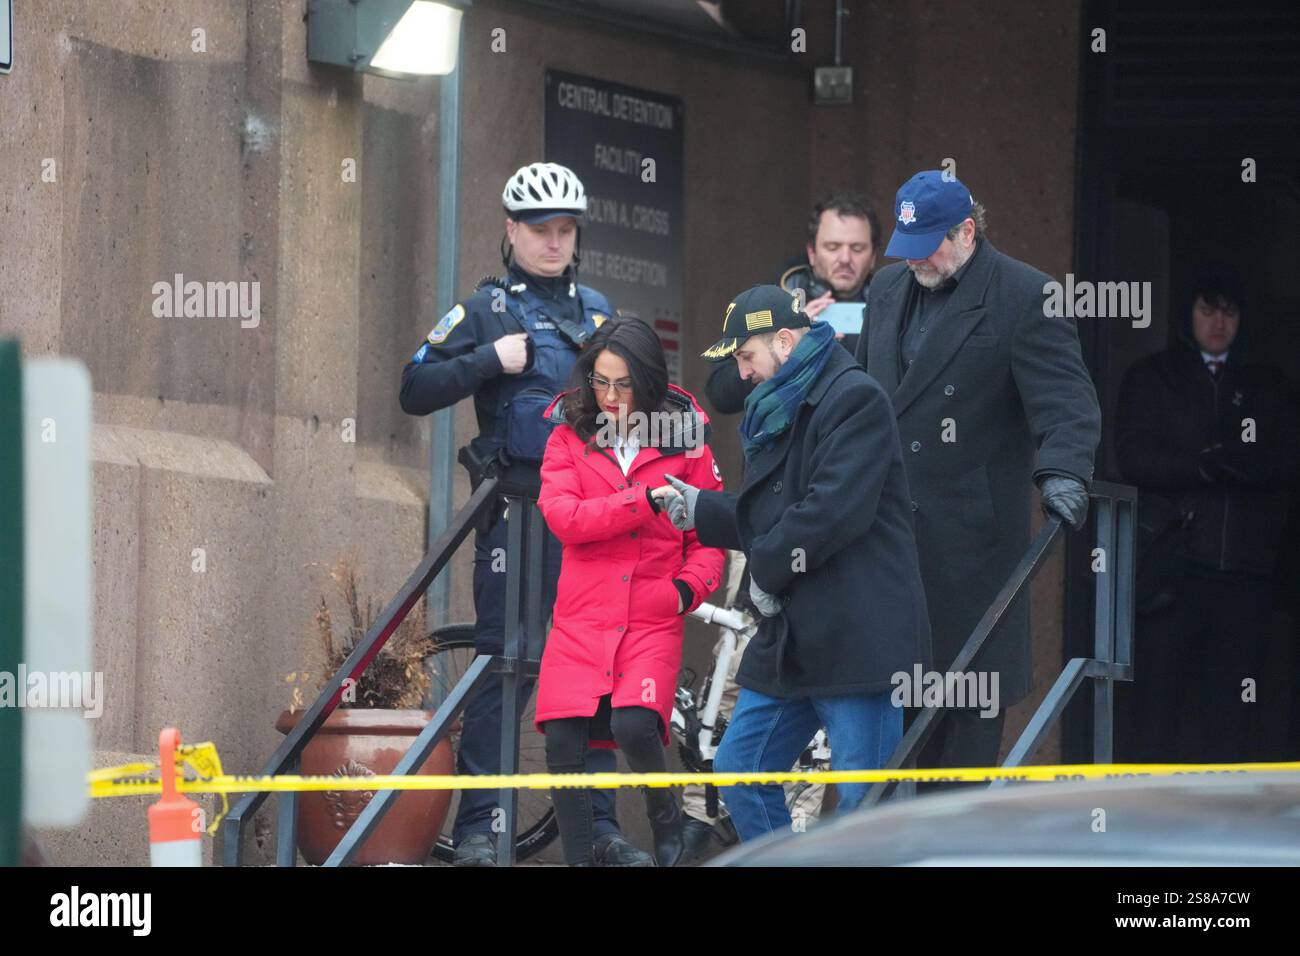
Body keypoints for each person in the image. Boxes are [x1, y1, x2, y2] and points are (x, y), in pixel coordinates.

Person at [399, 162, 644, 866]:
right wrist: (486, 360)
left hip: (590, 516)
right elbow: (414, 387)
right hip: (515, 510)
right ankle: (482, 827)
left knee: (595, 672)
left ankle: (599, 831)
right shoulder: (487, 309)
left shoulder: (602, 313)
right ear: (512, 230)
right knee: (501, 666)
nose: (554, 242)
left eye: (566, 230)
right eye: (541, 230)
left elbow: (647, 407)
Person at [655, 284, 931, 841]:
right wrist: (701, 509)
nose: (742, 372)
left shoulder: (855, 397)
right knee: (739, 771)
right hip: (795, 635)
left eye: (745, 357)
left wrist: (766, 573)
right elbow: (778, 509)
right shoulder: (782, 398)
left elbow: (829, 512)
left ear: (784, 341)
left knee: (865, 804)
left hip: (858, 636)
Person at [854, 170, 1101, 777]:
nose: (914, 261)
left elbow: (1068, 404)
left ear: (967, 231)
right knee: (890, 748)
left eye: (927, 245)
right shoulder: (888, 288)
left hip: (973, 560)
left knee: (960, 756)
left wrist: (1064, 470)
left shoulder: (1025, 296)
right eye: (905, 248)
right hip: (888, 549)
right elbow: (859, 392)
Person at [536, 317, 725, 866]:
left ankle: (664, 817)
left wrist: (685, 592)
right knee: (564, 740)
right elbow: (565, 518)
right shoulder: (568, 434)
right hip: (581, 615)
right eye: (600, 382)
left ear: (648, 382)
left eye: (623, 384)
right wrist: (641, 501)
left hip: (650, 611)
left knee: (635, 723)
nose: (611, 397)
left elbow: (709, 534)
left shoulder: (686, 439)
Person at [1114, 274, 1300, 763]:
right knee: (1157, 704)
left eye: (1230, 312)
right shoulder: (1154, 376)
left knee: (1235, 712)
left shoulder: (1268, 384)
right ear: (1186, 313)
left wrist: (1246, 464)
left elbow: (1287, 459)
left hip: (1246, 574)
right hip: (1173, 570)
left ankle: (1227, 826)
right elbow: (1132, 456)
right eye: (1207, 309)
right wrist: (1200, 464)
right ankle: (1148, 818)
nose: (1218, 323)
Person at [705, 192, 880, 416]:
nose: (845, 258)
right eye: (833, 247)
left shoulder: (892, 307)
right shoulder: (772, 301)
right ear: (812, 252)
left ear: (874, 256)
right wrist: (786, 343)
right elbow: (719, 392)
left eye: (857, 248)